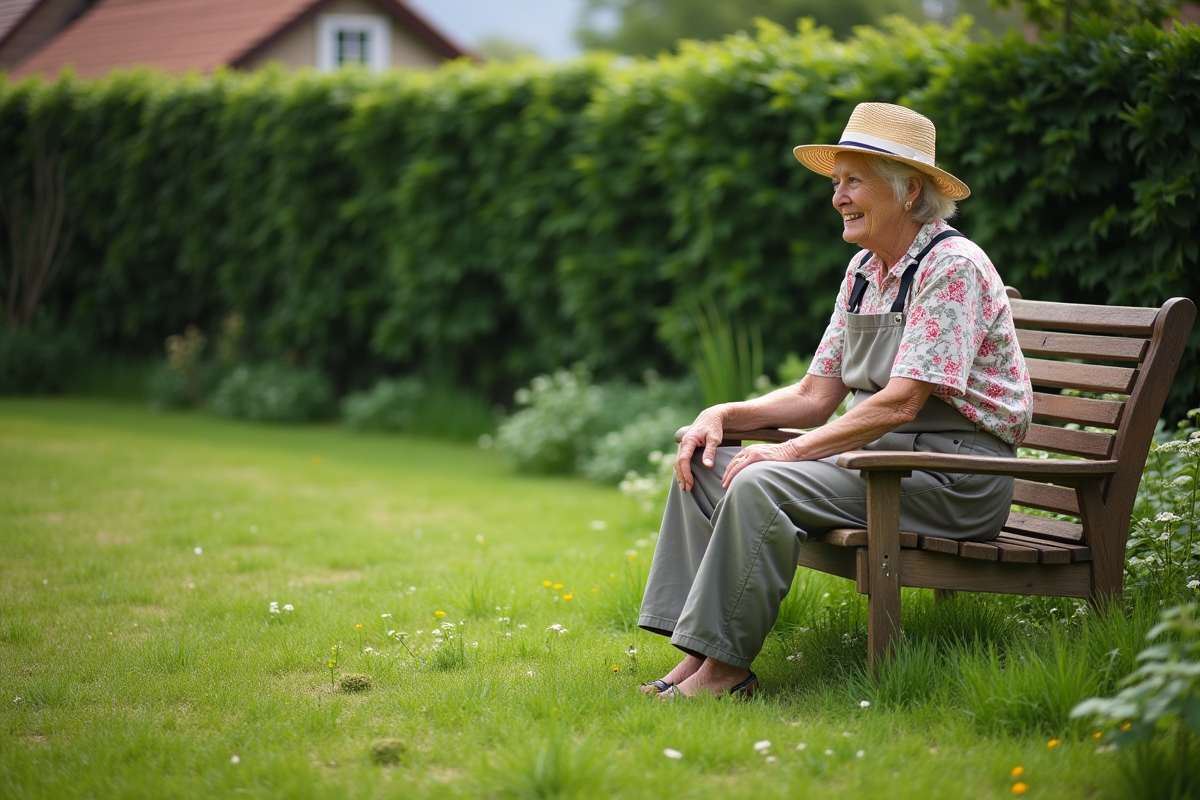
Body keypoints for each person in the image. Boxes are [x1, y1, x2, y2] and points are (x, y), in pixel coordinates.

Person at [637, 102, 1033, 699]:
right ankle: (696, 658)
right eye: (835, 183)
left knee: (762, 481)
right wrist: (720, 416)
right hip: (883, 465)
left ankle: (725, 671)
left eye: (853, 182)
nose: (837, 197)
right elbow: (814, 394)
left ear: (909, 191)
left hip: (956, 477)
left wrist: (789, 455)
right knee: (708, 463)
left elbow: (900, 404)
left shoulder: (952, 267)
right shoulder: (865, 271)